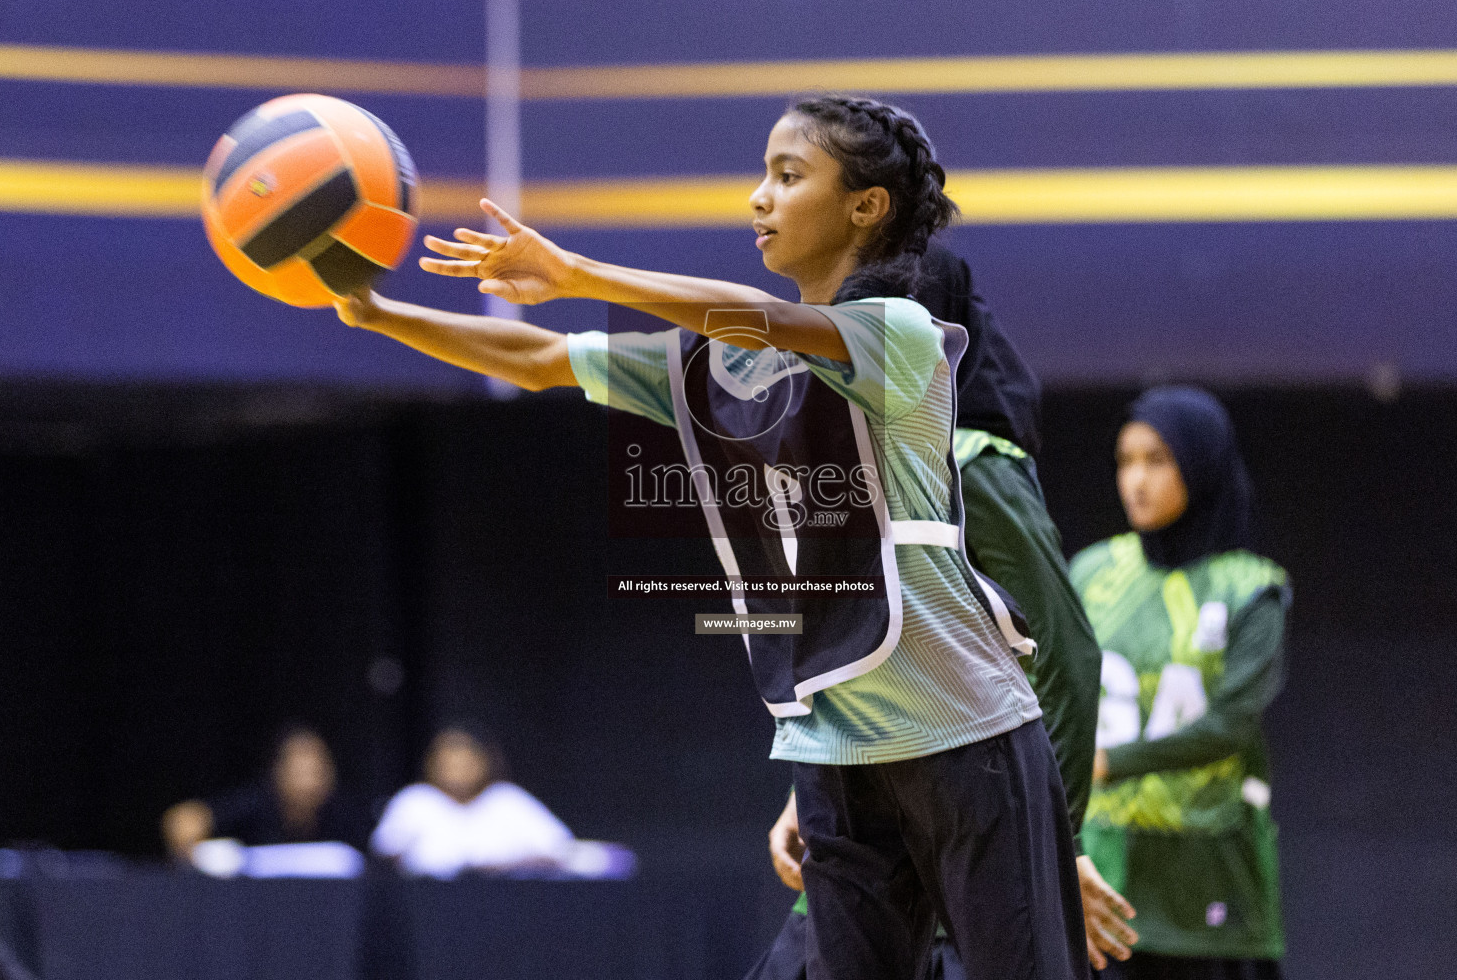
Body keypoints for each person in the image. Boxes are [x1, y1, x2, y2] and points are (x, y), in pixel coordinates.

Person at [333, 95, 1088, 980]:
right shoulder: (719, 368)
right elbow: (540, 360)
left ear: (865, 206)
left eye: (788, 174)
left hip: (967, 738)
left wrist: (575, 269)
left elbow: (760, 318)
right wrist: (381, 316)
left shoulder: (900, 336)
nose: (758, 198)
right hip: (836, 752)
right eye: (762, 174)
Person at [748, 245, 1136, 980]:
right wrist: (811, 786)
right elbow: (857, 644)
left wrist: (1059, 844)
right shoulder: (848, 448)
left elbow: (1064, 655)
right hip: (864, 823)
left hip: (961, 847)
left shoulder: (966, 461)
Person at [1072, 387, 1289, 979]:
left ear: (1202, 465)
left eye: (1158, 460)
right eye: (1126, 461)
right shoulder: (1092, 573)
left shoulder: (1251, 588)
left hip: (1209, 872)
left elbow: (1228, 726)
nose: (1136, 480)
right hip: (1107, 867)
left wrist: (1106, 761)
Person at [370, 726, 573, 878]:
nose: (456, 771)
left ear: (484, 762)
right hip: (426, 905)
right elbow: (384, 854)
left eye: (465, 762)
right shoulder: (415, 800)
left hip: (501, 900)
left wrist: (497, 867)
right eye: (448, 763)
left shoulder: (506, 799)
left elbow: (559, 850)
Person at [161, 724, 371, 861]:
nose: (310, 783)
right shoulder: (255, 804)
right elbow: (183, 822)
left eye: (317, 772)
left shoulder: (345, 815)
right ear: (279, 772)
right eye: (300, 772)